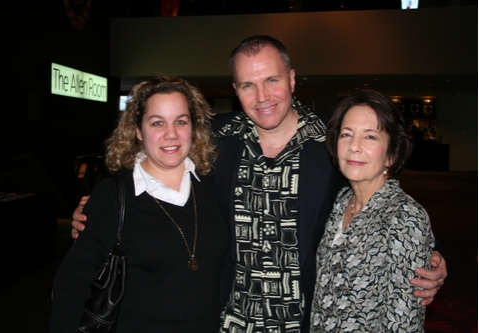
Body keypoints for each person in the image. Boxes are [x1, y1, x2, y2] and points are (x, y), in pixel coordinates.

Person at [71, 35, 447, 332]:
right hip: (227, 320)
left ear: (292, 79)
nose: (262, 96)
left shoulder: (333, 141)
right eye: (248, 85)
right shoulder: (216, 139)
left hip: (305, 321)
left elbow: (377, 195)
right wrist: (100, 212)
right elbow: (159, 158)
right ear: (235, 89)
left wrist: (431, 255)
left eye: (272, 80)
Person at [50, 75, 229, 332]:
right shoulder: (112, 196)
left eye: (181, 121)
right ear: (137, 130)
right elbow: (72, 286)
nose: (171, 134)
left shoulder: (214, 187)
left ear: (193, 127)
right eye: (157, 123)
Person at [310, 89, 434, 332]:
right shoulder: (340, 202)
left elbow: (403, 322)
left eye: (370, 137)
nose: (354, 146)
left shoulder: (406, 217)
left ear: (392, 154)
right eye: (347, 134)